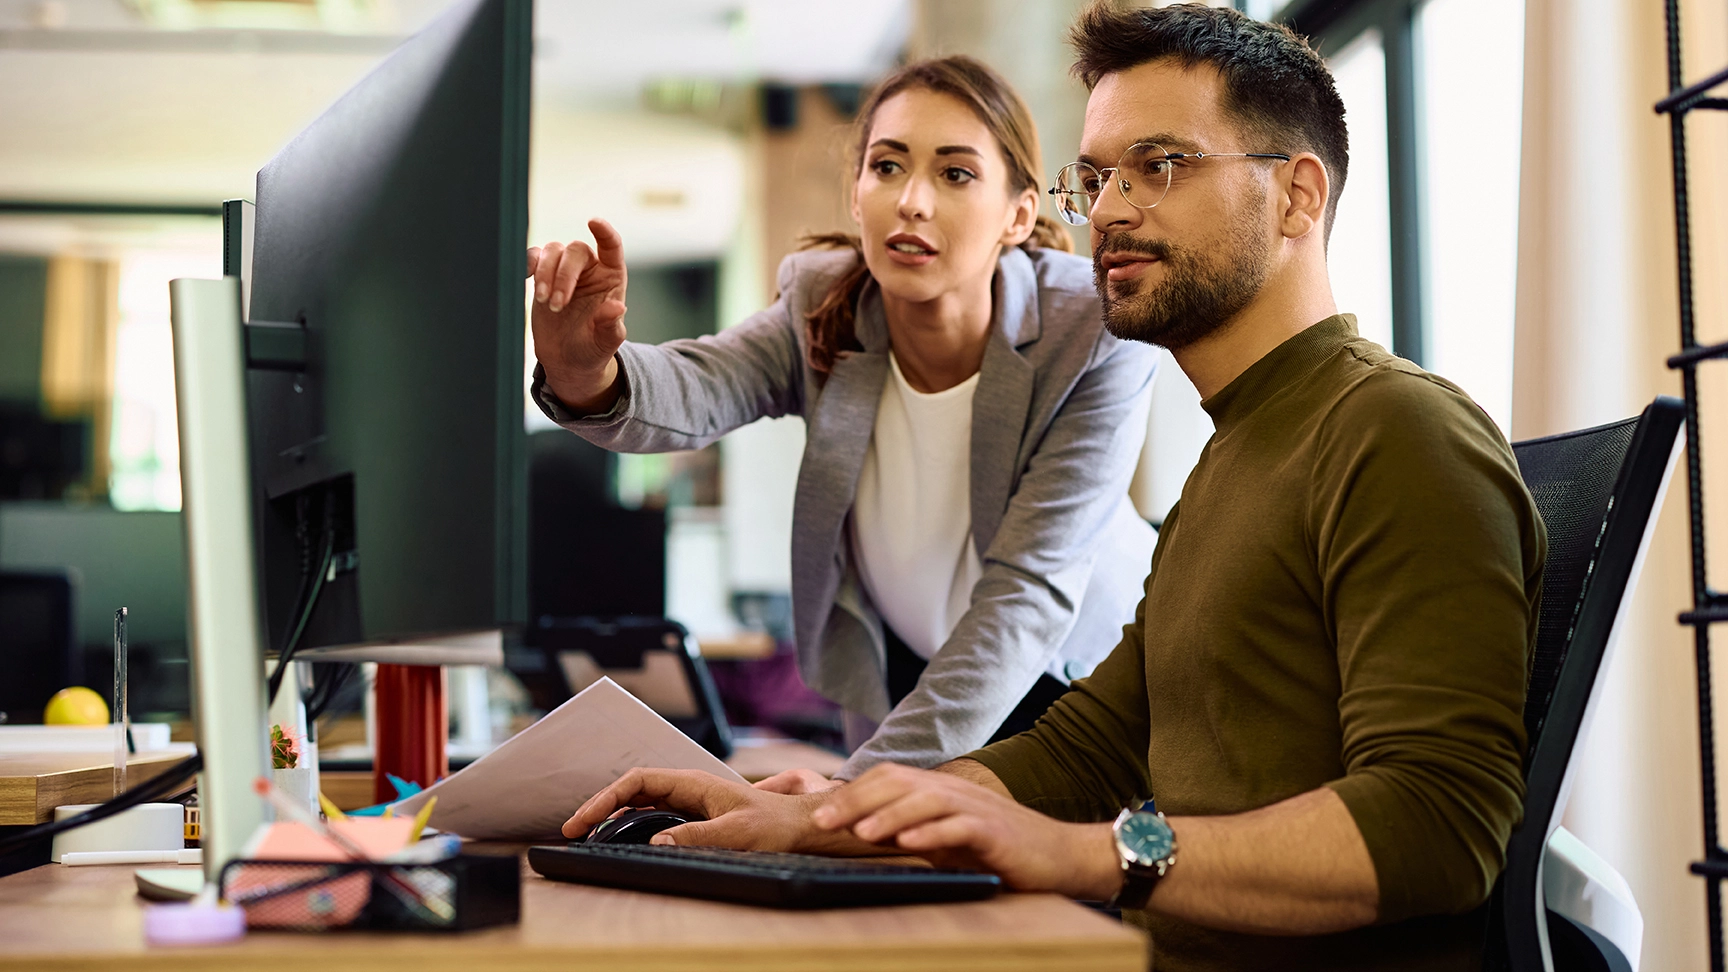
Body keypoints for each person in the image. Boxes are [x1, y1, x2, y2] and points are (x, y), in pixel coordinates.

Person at [560, 5, 1546, 970]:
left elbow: (1440, 826)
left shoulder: (1395, 431)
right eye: (1099, 177)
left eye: (1160, 166)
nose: (1112, 210)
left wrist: (1090, 853)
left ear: (1296, 197)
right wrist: (824, 816)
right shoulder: (1231, 458)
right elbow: (1088, 748)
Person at [527, 55, 1159, 779]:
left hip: (1080, 691)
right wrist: (587, 372)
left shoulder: (1091, 330)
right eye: (887, 167)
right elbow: (700, 385)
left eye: (955, 174)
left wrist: (850, 792)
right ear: (857, 196)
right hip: (912, 687)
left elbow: (1028, 595)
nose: (911, 201)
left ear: (1017, 215)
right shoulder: (824, 305)